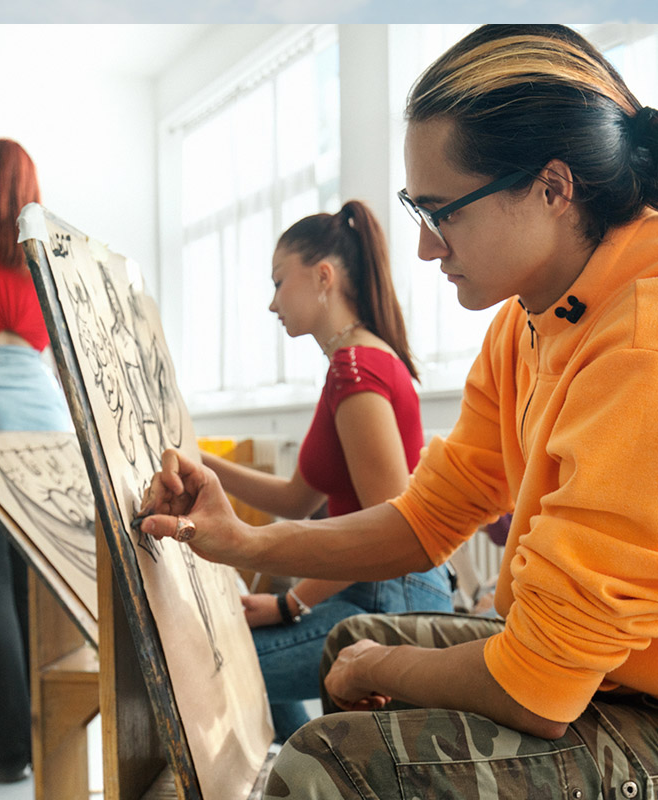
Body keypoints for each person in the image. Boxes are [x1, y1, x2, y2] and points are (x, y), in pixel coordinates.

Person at [138, 24, 658, 798]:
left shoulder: (638, 337)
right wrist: (245, 538)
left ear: (553, 188)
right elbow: (422, 519)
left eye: (443, 211)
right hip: (604, 674)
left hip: (630, 700)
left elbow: (539, 688)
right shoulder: (525, 324)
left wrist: (382, 666)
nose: (424, 248)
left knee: (323, 754)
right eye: (417, 209)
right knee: (351, 641)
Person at [200, 199, 453, 742]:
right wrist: (202, 463)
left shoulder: (355, 368)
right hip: (377, 588)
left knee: (208, 677)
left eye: (277, 282)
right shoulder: (352, 362)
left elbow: (391, 525)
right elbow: (296, 498)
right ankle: (286, 771)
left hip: (394, 595)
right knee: (234, 677)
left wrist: (290, 604)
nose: (272, 304)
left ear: (322, 277)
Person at [0, 139, 71, 783]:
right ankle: (36, 737)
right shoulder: (44, 254)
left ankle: (2, 751)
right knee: (32, 594)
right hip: (46, 429)